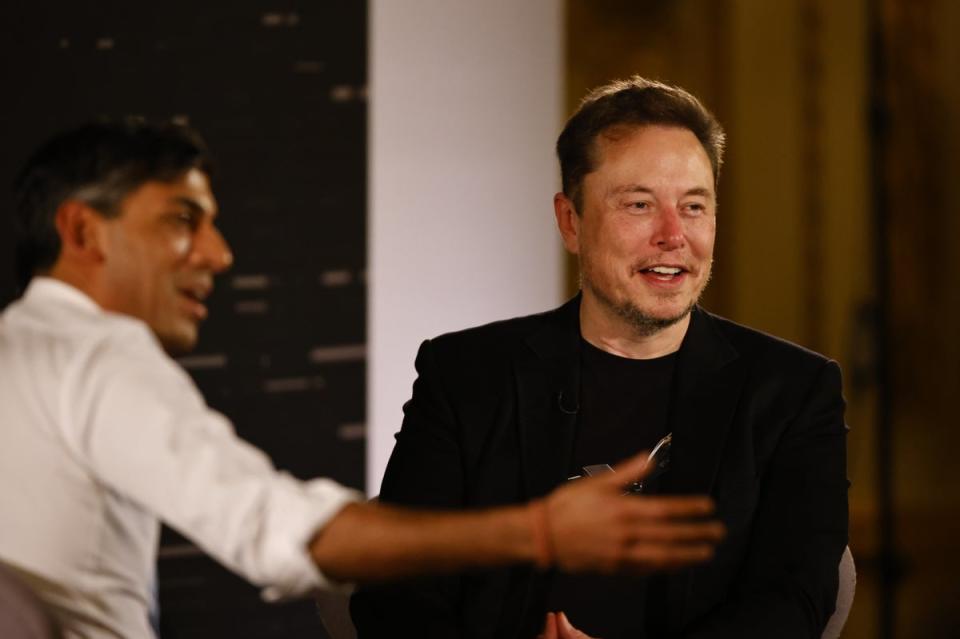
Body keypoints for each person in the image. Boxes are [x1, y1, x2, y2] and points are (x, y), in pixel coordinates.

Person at [0, 119, 727, 639]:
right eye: (184, 219)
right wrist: (537, 529)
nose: (219, 253)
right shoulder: (101, 356)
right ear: (83, 231)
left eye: (694, 204)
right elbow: (276, 533)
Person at [350, 77, 849, 639]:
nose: (673, 235)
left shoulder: (794, 391)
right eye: (639, 204)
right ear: (571, 221)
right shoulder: (464, 375)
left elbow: (794, 601)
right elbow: (394, 590)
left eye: (694, 206)